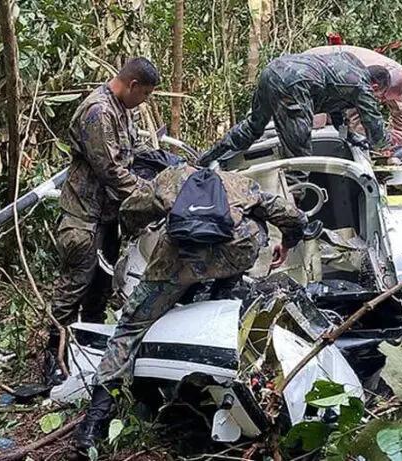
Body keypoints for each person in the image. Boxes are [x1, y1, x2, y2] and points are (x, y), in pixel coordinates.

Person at [74, 163, 308, 450]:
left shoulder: (171, 178)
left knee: (129, 327)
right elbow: (291, 215)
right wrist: (286, 243)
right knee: (254, 230)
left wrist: (138, 229)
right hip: (235, 252)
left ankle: (94, 423)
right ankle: (221, 294)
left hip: (178, 258)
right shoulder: (239, 182)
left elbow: (132, 210)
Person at [46, 58, 161, 383]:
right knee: (72, 290)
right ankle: (54, 358)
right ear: (132, 85)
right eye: (146, 94)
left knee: (100, 288)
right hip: (84, 216)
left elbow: (131, 153)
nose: (145, 101)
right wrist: (149, 195)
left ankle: (86, 351)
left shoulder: (123, 109)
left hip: (107, 217)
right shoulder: (98, 112)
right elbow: (110, 170)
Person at [198, 51, 390, 165]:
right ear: (374, 86)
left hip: (272, 70)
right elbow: (373, 123)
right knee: (299, 155)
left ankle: (207, 158)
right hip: (294, 85)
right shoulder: (361, 86)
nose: (377, 100)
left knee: (253, 126)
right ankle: (295, 219)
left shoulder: (349, 61)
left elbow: (336, 110)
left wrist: (348, 137)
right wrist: (384, 146)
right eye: (379, 96)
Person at [304, 44, 402, 146]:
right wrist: (373, 143)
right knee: (317, 123)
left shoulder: (400, 80)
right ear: (376, 86)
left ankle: (343, 140)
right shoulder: (359, 81)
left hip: (334, 73)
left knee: (338, 118)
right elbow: (356, 117)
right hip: (310, 67)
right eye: (382, 97)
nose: (382, 101)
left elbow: (401, 113)